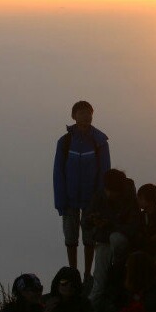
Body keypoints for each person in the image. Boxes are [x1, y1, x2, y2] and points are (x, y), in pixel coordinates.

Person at [53, 100, 111, 283]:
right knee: (70, 237)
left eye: (89, 113)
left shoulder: (99, 141)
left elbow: (105, 172)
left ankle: (87, 275)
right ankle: (73, 273)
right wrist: (60, 200)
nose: (86, 116)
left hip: (91, 200)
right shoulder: (65, 141)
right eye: (82, 112)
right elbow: (58, 172)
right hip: (69, 199)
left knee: (89, 238)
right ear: (73, 115)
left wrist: (100, 201)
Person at [83, 169, 141, 312]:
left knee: (116, 238)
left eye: (112, 191)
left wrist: (110, 225)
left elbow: (134, 227)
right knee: (99, 283)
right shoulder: (99, 195)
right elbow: (84, 222)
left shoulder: (130, 200)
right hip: (103, 242)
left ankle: (117, 265)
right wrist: (92, 220)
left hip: (122, 243)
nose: (109, 194)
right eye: (107, 190)